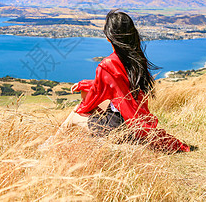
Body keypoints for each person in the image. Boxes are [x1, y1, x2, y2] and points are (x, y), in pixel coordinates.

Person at [60, 9, 192, 153]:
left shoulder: (108, 65)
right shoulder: (137, 59)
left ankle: (51, 146)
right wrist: (83, 85)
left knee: (74, 115)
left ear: (109, 37)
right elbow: (115, 85)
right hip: (132, 124)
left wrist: (80, 109)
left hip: (113, 127)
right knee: (86, 96)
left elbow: (93, 97)